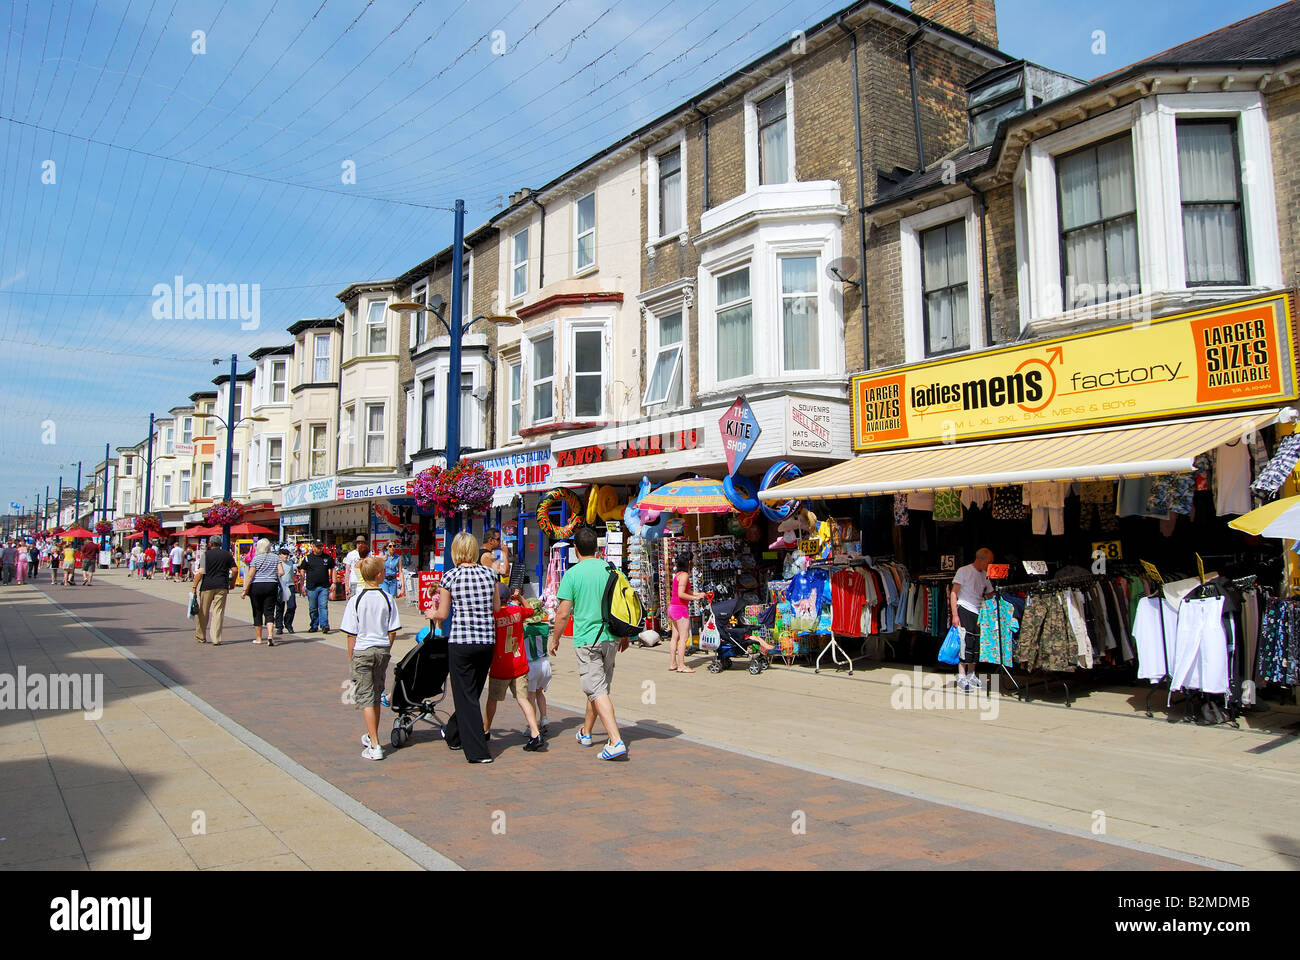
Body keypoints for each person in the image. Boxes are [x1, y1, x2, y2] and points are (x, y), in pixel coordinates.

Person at [549, 525, 628, 761]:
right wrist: (625, 635)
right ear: (597, 548)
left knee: (596, 689)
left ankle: (615, 741)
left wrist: (554, 639)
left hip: (587, 640)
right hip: (611, 638)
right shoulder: (612, 570)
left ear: (575, 549)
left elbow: (563, 613)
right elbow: (624, 605)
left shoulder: (572, 574)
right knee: (598, 687)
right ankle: (586, 732)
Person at [433, 532, 501, 764]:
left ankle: (477, 750)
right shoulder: (490, 574)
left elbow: (443, 614)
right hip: (486, 641)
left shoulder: (449, 577)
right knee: (471, 693)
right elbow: (496, 608)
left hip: (461, 640)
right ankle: (453, 734)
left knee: (465, 696)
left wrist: (431, 613)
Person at [343, 555, 402, 761]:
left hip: (362, 650)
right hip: (381, 649)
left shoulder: (356, 600)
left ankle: (375, 744)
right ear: (378, 575)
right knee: (376, 694)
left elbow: (351, 634)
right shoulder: (387, 598)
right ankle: (372, 735)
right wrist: (387, 646)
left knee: (366, 697)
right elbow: (393, 629)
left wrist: (351, 658)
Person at [483, 593, 544, 752]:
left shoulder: (494, 615)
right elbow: (531, 611)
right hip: (519, 663)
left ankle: (486, 730)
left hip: (501, 664)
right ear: (508, 598)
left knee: (493, 699)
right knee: (524, 700)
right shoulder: (517, 611)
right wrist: (521, 597)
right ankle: (535, 732)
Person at [950, 547, 995, 692]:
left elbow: (989, 594)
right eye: (989, 562)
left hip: (979, 611)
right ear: (981, 559)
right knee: (965, 642)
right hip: (965, 608)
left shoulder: (985, 575)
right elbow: (954, 593)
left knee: (977, 643)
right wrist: (955, 614)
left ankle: (971, 673)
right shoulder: (964, 571)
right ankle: (962, 675)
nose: (989, 565)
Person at [193, 535, 237, 646]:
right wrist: (232, 582)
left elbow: (200, 572)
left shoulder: (206, 555)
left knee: (203, 611)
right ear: (220, 544)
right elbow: (235, 570)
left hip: (207, 586)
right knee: (218, 612)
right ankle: (216, 638)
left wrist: (194, 587)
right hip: (222, 585)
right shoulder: (227, 554)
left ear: (210, 544)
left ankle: (201, 636)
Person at [519, 588, 551, 735]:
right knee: (540, 693)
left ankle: (530, 725)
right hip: (545, 663)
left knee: (530, 696)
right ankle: (544, 718)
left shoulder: (525, 630)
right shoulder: (544, 628)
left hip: (531, 665)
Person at [241, 539, 284, 646]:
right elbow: (281, 572)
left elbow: (250, 575)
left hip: (257, 586)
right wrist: (272, 575)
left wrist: (244, 590)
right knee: (269, 611)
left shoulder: (256, 559)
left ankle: (259, 638)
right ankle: (270, 635)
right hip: (271, 585)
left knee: (257, 611)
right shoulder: (275, 557)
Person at [667, 553, 705, 674]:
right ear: (688, 562)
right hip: (680, 609)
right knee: (684, 638)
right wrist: (695, 599)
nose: (693, 562)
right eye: (692, 560)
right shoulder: (684, 576)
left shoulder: (678, 575)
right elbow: (681, 594)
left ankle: (673, 663)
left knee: (675, 637)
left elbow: (686, 590)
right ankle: (681, 665)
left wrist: (696, 594)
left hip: (673, 608)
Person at [299, 541, 335, 633]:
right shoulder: (307, 558)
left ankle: (324, 625)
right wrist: (302, 585)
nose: (320, 548)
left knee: (323, 606)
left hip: (324, 586)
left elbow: (333, 569)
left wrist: (334, 582)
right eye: (317, 546)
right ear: (313, 547)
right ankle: (314, 625)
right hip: (311, 587)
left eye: (321, 546)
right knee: (313, 608)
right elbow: (302, 571)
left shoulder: (327, 557)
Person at [273, 547, 297, 636]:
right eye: (284, 554)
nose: (286, 556)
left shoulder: (290, 563)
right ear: (279, 555)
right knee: (279, 607)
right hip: (280, 586)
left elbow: (292, 574)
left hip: (290, 586)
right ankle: (279, 626)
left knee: (292, 606)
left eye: (287, 554)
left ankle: (288, 623)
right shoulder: (276, 563)